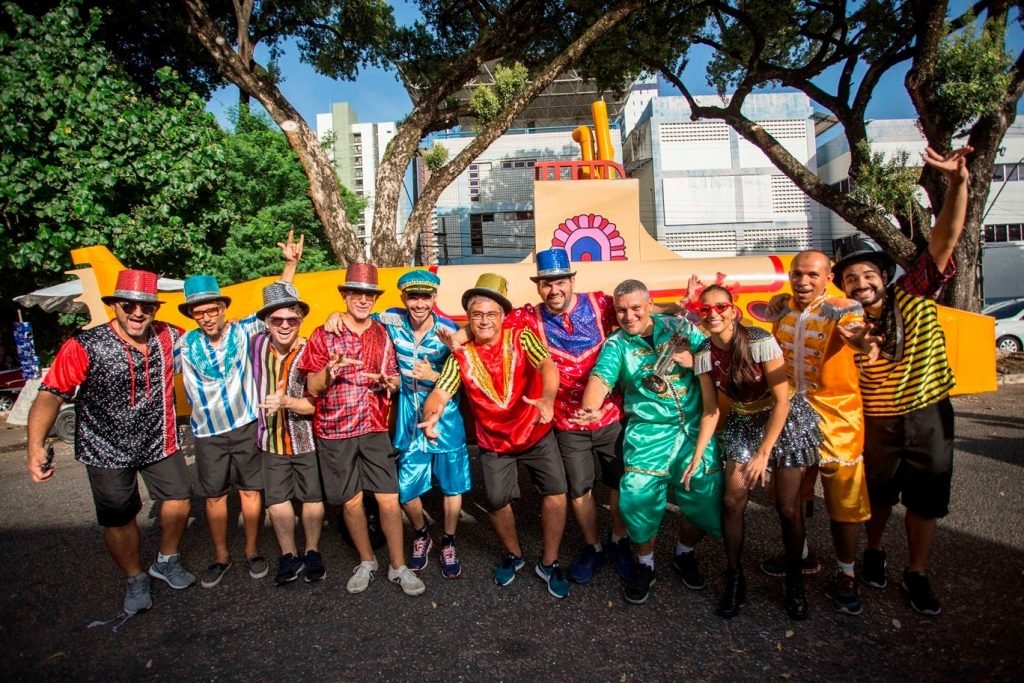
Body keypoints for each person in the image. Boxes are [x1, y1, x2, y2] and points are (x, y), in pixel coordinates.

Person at [834, 146, 973, 617]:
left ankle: (917, 571)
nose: (860, 283)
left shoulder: (913, 293)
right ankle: (874, 552)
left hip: (928, 411)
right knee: (876, 494)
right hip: (877, 418)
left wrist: (955, 184)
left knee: (927, 496)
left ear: (882, 275)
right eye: (850, 278)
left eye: (867, 274)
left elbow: (946, 237)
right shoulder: (845, 319)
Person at [450, 248, 631, 583]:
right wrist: (460, 338)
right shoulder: (526, 317)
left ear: (571, 280)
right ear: (538, 286)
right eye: (546, 283)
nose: (553, 290)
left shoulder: (601, 304)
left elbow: (637, 317)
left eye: (559, 281)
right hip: (564, 420)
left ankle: (618, 542)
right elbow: (486, 322)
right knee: (578, 488)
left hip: (608, 415)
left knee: (621, 483)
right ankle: (593, 548)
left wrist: (682, 312)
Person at [26, 269, 194, 615]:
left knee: (179, 498)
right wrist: (35, 444)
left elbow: (220, 332)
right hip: (105, 447)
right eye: (128, 304)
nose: (137, 312)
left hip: (158, 440)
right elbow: (51, 394)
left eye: (146, 306)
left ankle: (166, 559)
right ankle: (134, 577)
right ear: (115, 305)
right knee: (119, 517)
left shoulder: (171, 337)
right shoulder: (85, 345)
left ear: (155, 310)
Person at [420, 274, 570, 598]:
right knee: (497, 500)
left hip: (534, 430)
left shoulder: (522, 336)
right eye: (477, 315)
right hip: (495, 443)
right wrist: (431, 416)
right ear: (469, 319)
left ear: (503, 315)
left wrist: (547, 397)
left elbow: (546, 365)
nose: (484, 320)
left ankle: (550, 562)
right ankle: (514, 555)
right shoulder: (461, 355)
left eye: (491, 313)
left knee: (557, 491)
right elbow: (440, 393)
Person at [576, 279, 721, 605]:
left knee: (706, 492)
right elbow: (601, 376)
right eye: (622, 310)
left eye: (635, 308)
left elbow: (714, 355)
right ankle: (646, 563)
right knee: (637, 498)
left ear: (650, 304)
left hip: (694, 430)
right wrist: (590, 406)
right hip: (648, 433)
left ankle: (684, 553)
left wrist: (694, 360)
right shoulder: (617, 344)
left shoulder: (679, 327)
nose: (628, 316)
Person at [690, 283, 821, 620]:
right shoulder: (703, 352)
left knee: (788, 507)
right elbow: (710, 410)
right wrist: (697, 456)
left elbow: (782, 400)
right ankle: (734, 577)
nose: (713, 313)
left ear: (733, 309)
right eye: (705, 309)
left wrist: (764, 452)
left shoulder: (760, 341)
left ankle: (794, 578)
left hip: (784, 420)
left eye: (720, 306)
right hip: (743, 421)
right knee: (733, 501)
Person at [328, 270, 471, 579]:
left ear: (435, 299)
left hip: (444, 414)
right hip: (408, 414)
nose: (419, 303)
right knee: (405, 488)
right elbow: (359, 313)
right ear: (403, 298)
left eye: (425, 297)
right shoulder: (390, 320)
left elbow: (468, 368)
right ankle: (421, 533)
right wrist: (335, 313)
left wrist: (434, 377)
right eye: (412, 297)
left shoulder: (449, 331)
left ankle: (448, 541)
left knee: (451, 484)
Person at [179, 232, 302, 589]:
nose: (206, 317)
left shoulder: (246, 330)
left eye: (211, 309)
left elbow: (278, 305)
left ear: (223, 309)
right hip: (206, 432)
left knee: (251, 492)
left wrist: (291, 264)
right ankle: (220, 556)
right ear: (192, 314)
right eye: (198, 312)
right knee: (215, 497)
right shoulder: (183, 344)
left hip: (247, 425)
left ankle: (251, 551)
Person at [300, 262, 425, 597]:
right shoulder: (323, 333)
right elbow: (312, 384)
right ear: (344, 295)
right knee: (352, 503)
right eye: (356, 293)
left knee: (388, 498)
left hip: (373, 427)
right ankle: (367, 561)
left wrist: (391, 382)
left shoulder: (382, 333)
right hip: (334, 430)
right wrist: (328, 372)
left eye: (369, 294)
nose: (363, 300)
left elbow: (396, 378)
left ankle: (398, 566)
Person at [766, 250, 878, 615]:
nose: (804, 281)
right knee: (791, 492)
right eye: (798, 274)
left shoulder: (843, 308)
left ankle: (846, 572)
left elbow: (859, 339)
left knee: (843, 494)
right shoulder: (781, 308)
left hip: (837, 413)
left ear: (828, 275)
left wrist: (861, 340)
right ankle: (800, 557)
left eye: (813, 274)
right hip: (791, 409)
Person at [250, 281, 326, 586]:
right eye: (277, 320)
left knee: (312, 497)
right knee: (277, 499)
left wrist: (286, 402)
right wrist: (289, 268)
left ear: (301, 321)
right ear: (267, 323)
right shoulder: (255, 344)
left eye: (291, 320)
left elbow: (317, 406)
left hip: (304, 437)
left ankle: (312, 550)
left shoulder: (311, 351)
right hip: (270, 438)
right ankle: (287, 554)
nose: (284, 325)